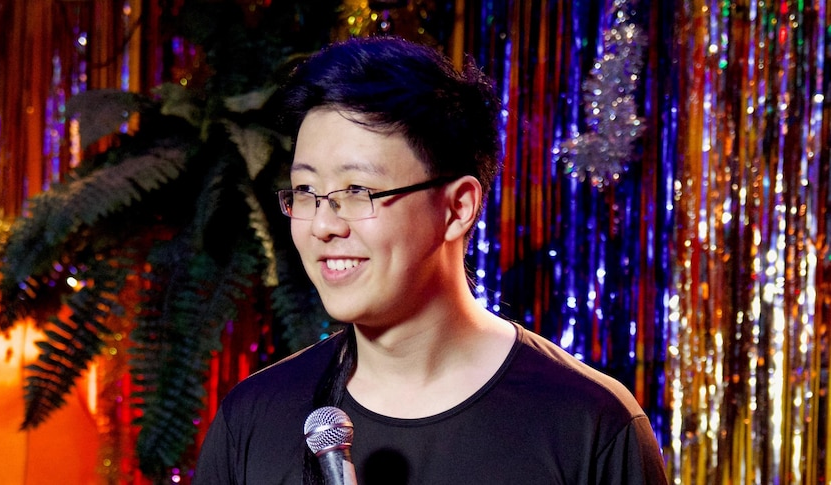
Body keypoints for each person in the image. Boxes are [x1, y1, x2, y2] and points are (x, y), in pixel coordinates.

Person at [193, 36, 668, 484]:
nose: (323, 226)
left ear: (456, 208)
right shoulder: (254, 417)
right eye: (306, 191)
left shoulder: (590, 423)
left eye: (358, 191)